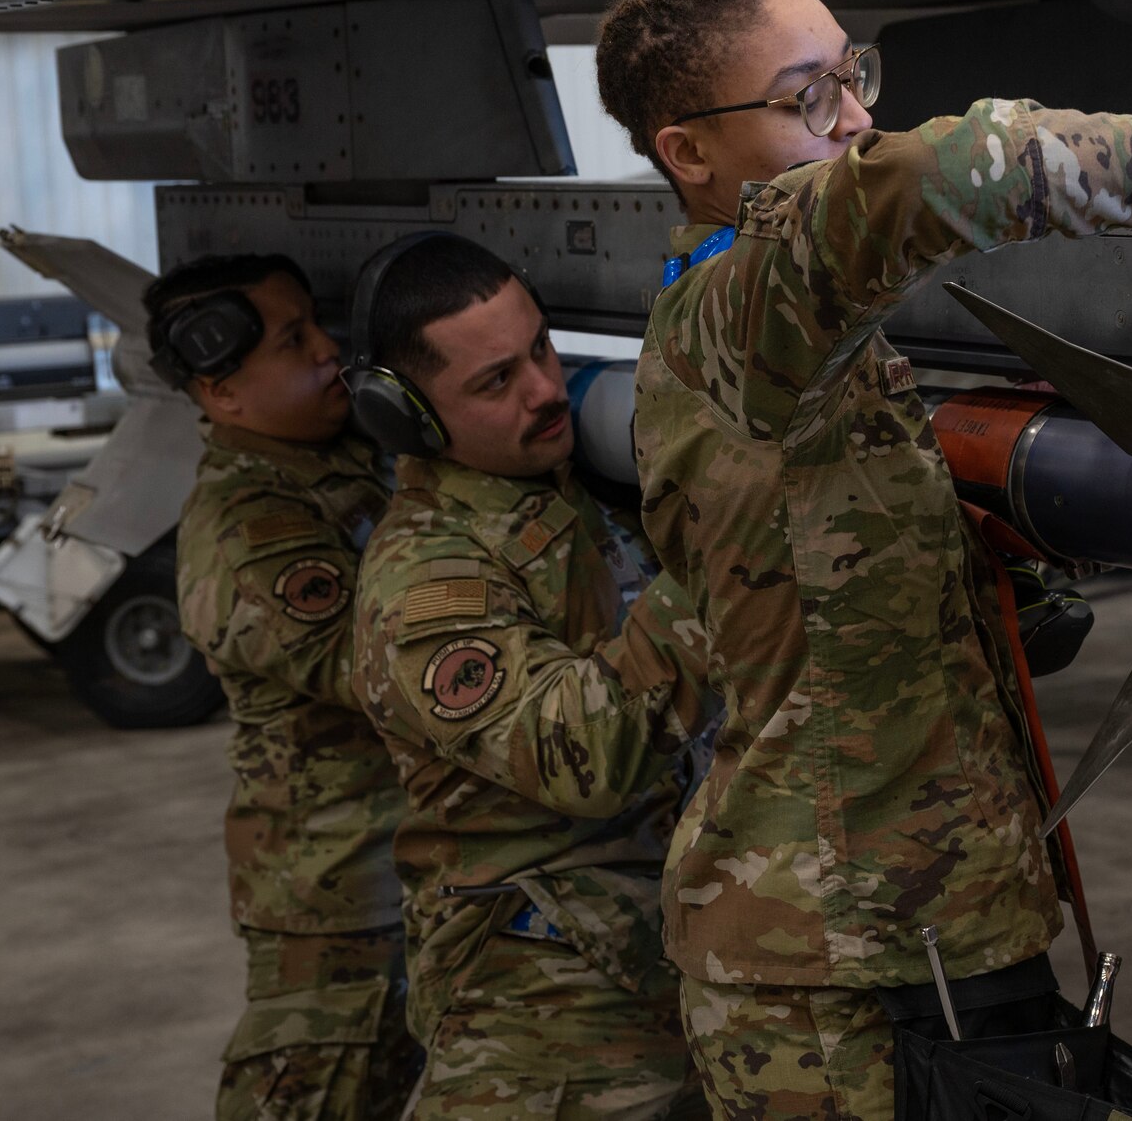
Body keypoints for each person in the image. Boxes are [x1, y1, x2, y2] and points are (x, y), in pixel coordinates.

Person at [594, 0, 1132, 1119]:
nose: (854, 118)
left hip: (925, 926)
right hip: (835, 970)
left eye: (853, 75)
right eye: (806, 98)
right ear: (688, 155)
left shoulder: (803, 337)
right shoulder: (740, 303)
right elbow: (926, 177)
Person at [346, 233, 713, 1120]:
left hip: (654, 953)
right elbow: (586, 755)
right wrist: (718, 545)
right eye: (495, 380)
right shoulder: (426, 581)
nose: (546, 389)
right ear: (411, 418)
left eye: (541, 347)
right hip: (541, 1007)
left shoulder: (555, 484)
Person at [153, 253, 420, 1121]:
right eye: (292, 338)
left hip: (402, 878)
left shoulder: (340, 456)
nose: (325, 348)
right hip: (335, 905)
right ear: (221, 392)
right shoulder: (248, 529)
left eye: (316, 322)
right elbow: (387, 674)